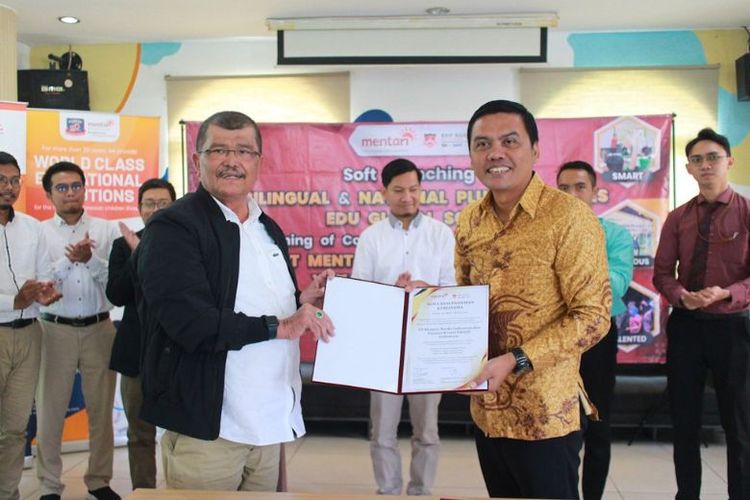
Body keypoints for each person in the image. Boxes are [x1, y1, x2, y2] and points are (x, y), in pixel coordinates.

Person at [134, 110, 335, 492]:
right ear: (197, 160)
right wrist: (283, 326)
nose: (232, 161)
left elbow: (255, 301)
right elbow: (190, 322)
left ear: (258, 162)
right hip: (210, 428)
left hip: (269, 422)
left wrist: (301, 300)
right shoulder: (173, 227)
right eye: (219, 150)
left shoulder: (266, 227)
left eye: (244, 151)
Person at [459, 100, 611, 499]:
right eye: (483, 144)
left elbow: (593, 317)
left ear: (536, 150)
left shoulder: (569, 217)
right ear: (472, 155)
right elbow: (466, 302)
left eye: (509, 141)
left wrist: (516, 359)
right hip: (487, 411)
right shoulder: (469, 220)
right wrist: (427, 300)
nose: (495, 153)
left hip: (546, 415)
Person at [653, 127, 750, 500]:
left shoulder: (746, 212)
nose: (705, 165)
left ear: (729, 161)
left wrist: (727, 292)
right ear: (689, 168)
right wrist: (682, 296)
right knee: (684, 423)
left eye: (713, 157)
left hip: (733, 329)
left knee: (739, 425)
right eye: (697, 159)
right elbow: (662, 273)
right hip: (687, 328)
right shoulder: (678, 218)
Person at [351, 158, 456, 496]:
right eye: (398, 190)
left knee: (427, 431)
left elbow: (453, 289)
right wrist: (391, 293)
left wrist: (425, 290)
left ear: (421, 190)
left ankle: (421, 492)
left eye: (413, 189)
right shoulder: (371, 238)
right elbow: (359, 292)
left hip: (428, 347)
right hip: (385, 347)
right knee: (382, 431)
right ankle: (389, 491)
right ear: (384, 193)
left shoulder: (441, 234)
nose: (407, 197)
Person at [36, 161, 121, 500]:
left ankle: (99, 481)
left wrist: (91, 260)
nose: (70, 192)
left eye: (75, 186)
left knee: (101, 411)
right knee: (50, 411)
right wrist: (71, 259)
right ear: (49, 194)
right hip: (54, 329)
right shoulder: (39, 232)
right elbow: (40, 281)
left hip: (99, 327)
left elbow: (117, 283)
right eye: (61, 187)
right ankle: (49, 486)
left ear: (85, 189)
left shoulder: (106, 230)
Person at [557, 160, 634, 500]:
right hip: (555, 337)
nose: (572, 194)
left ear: (594, 191)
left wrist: (571, 277)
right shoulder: (546, 234)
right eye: (564, 188)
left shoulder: (615, 235)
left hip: (597, 337)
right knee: (559, 425)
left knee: (598, 424)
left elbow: (616, 284)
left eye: (579, 187)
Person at [106, 178, 176, 490]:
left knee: (182, 434)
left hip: (178, 353)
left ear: (175, 207)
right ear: (139, 208)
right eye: (149, 203)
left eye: (163, 203)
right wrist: (139, 254)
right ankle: (143, 492)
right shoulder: (123, 246)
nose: (156, 209)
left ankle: (182, 491)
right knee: (140, 434)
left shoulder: (189, 245)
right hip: (136, 353)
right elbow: (117, 294)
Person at [0, 152, 61, 500]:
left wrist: (44, 294)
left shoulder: (32, 228)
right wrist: (14, 301)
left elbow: (43, 274)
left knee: (14, 429)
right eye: (1, 180)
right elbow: (18, 296)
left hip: (29, 335)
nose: (8, 188)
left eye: (14, 181)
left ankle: (8, 493)